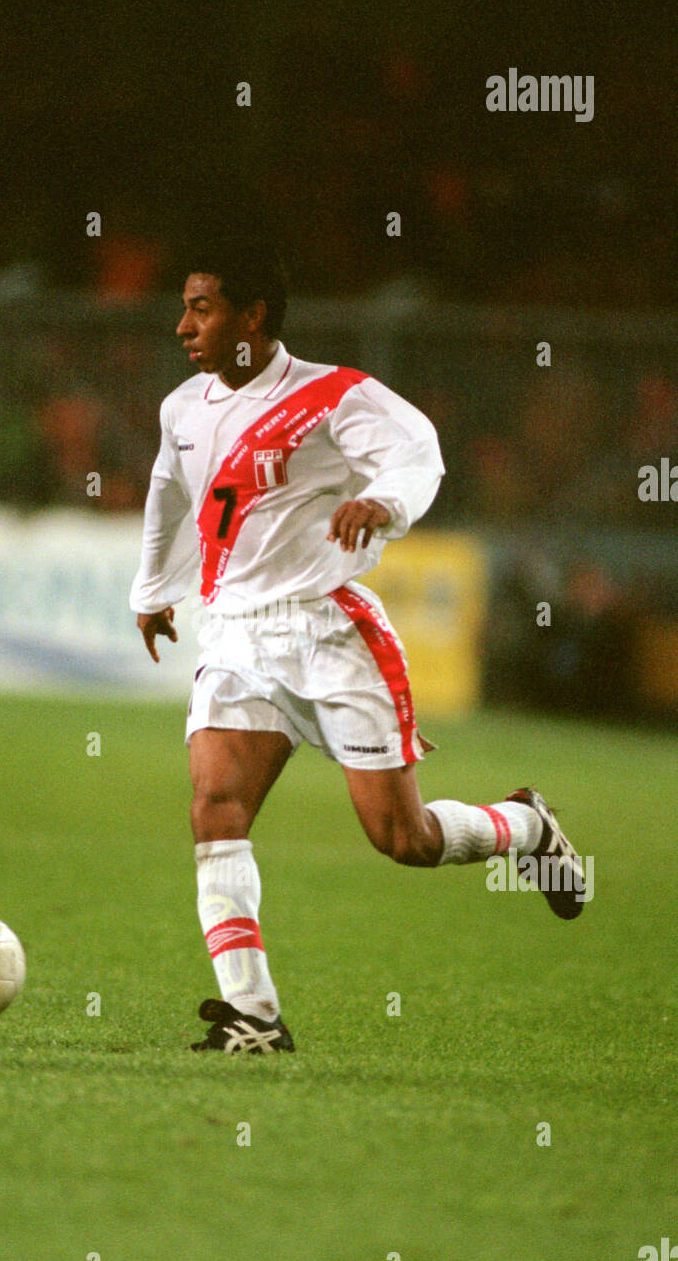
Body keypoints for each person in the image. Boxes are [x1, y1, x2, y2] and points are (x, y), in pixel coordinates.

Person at [129, 237, 586, 1055]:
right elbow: (166, 492)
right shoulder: (181, 409)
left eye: (200, 308)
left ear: (252, 314)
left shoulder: (333, 396)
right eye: (185, 308)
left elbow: (418, 453)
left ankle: (523, 826)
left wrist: (383, 501)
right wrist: (151, 590)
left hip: (329, 631)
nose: (183, 326)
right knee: (215, 807)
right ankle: (255, 1016)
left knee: (402, 840)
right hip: (236, 633)